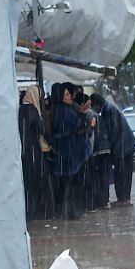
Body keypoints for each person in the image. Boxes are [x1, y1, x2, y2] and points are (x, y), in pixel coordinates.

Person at [49, 83, 91, 219]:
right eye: (66, 94)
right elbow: (78, 128)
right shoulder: (64, 111)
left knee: (65, 185)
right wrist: (83, 115)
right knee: (69, 185)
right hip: (68, 153)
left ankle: (65, 213)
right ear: (61, 96)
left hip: (65, 154)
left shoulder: (58, 110)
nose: (69, 97)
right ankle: (70, 213)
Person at [91, 94, 135, 208]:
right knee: (124, 174)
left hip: (123, 147)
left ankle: (123, 200)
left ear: (97, 104)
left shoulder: (108, 110)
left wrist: (108, 148)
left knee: (121, 174)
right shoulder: (110, 107)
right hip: (126, 146)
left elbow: (112, 131)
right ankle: (124, 199)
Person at [17, 86, 54, 221]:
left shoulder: (21, 110)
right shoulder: (32, 111)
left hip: (25, 152)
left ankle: (30, 211)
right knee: (40, 182)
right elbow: (41, 130)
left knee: (29, 183)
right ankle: (42, 212)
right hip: (35, 152)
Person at [87, 94, 113, 210]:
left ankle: (101, 201)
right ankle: (104, 200)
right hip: (105, 149)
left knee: (100, 177)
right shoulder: (98, 114)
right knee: (104, 176)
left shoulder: (92, 114)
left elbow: (93, 134)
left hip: (98, 150)